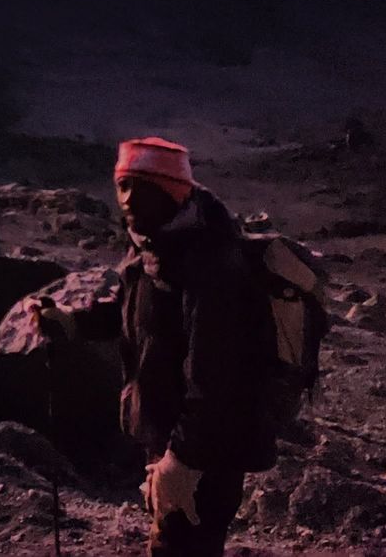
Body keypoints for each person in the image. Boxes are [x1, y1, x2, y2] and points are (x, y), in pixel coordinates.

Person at [27, 136, 275, 557]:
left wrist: (182, 460)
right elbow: (135, 314)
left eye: (139, 188)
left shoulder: (211, 265)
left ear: (171, 192)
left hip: (205, 450)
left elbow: (213, 377)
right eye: (121, 186)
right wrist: (73, 322)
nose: (125, 199)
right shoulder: (154, 246)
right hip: (173, 439)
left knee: (180, 546)